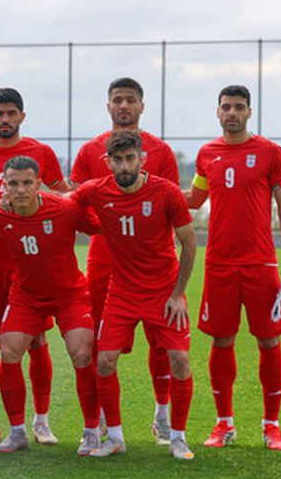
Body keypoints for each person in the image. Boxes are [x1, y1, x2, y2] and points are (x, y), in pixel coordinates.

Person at [71, 130, 198, 460]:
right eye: (118, 159)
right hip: (122, 293)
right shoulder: (97, 191)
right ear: (108, 162)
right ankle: (114, 437)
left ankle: (179, 437)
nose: (124, 165)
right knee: (104, 360)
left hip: (164, 292)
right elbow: (67, 206)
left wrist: (178, 294)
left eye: (130, 158)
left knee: (180, 360)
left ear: (142, 160)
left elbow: (189, 242)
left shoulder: (166, 192)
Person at [186, 85, 281, 451]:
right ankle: (224, 424)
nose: (231, 113)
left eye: (238, 107)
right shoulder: (207, 155)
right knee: (221, 340)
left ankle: (271, 425)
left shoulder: (270, 153)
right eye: (225, 107)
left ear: (250, 112)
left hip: (260, 262)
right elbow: (194, 200)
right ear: (217, 113)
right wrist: (148, 185)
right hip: (219, 262)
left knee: (268, 338)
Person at [0, 156, 100, 455]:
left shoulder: (65, 209)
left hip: (69, 293)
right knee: (10, 349)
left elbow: (101, 227)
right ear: (4, 185)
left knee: (82, 352)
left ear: (39, 184)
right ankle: (17, 432)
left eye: (27, 182)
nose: (20, 189)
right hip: (26, 295)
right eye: (13, 183)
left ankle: (92, 431)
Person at [0, 88, 69, 444]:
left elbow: (65, 197)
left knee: (37, 341)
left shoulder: (41, 153)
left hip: (32, 266)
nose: (5, 120)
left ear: (22, 116)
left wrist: (32, 198)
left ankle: (41, 420)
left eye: (11, 113)